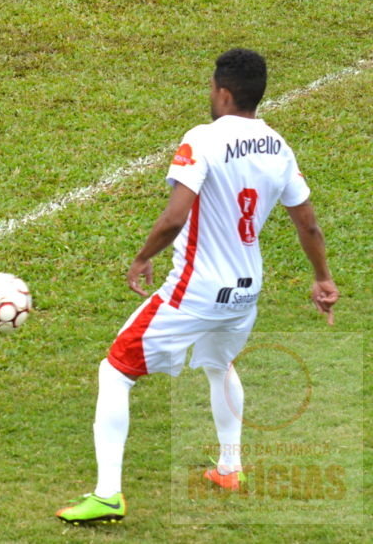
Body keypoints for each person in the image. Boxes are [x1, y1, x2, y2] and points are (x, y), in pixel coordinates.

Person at [56, 48, 339, 524]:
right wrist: (322, 278)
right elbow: (308, 224)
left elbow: (175, 215)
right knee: (219, 364)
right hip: (246, 292)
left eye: (212, 86)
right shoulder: (279, 146)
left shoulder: (203, 140)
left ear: (224, 92)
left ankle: (107, 495)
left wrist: (144, 257)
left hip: (197, 289)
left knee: (116, 369)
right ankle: (229, 468)